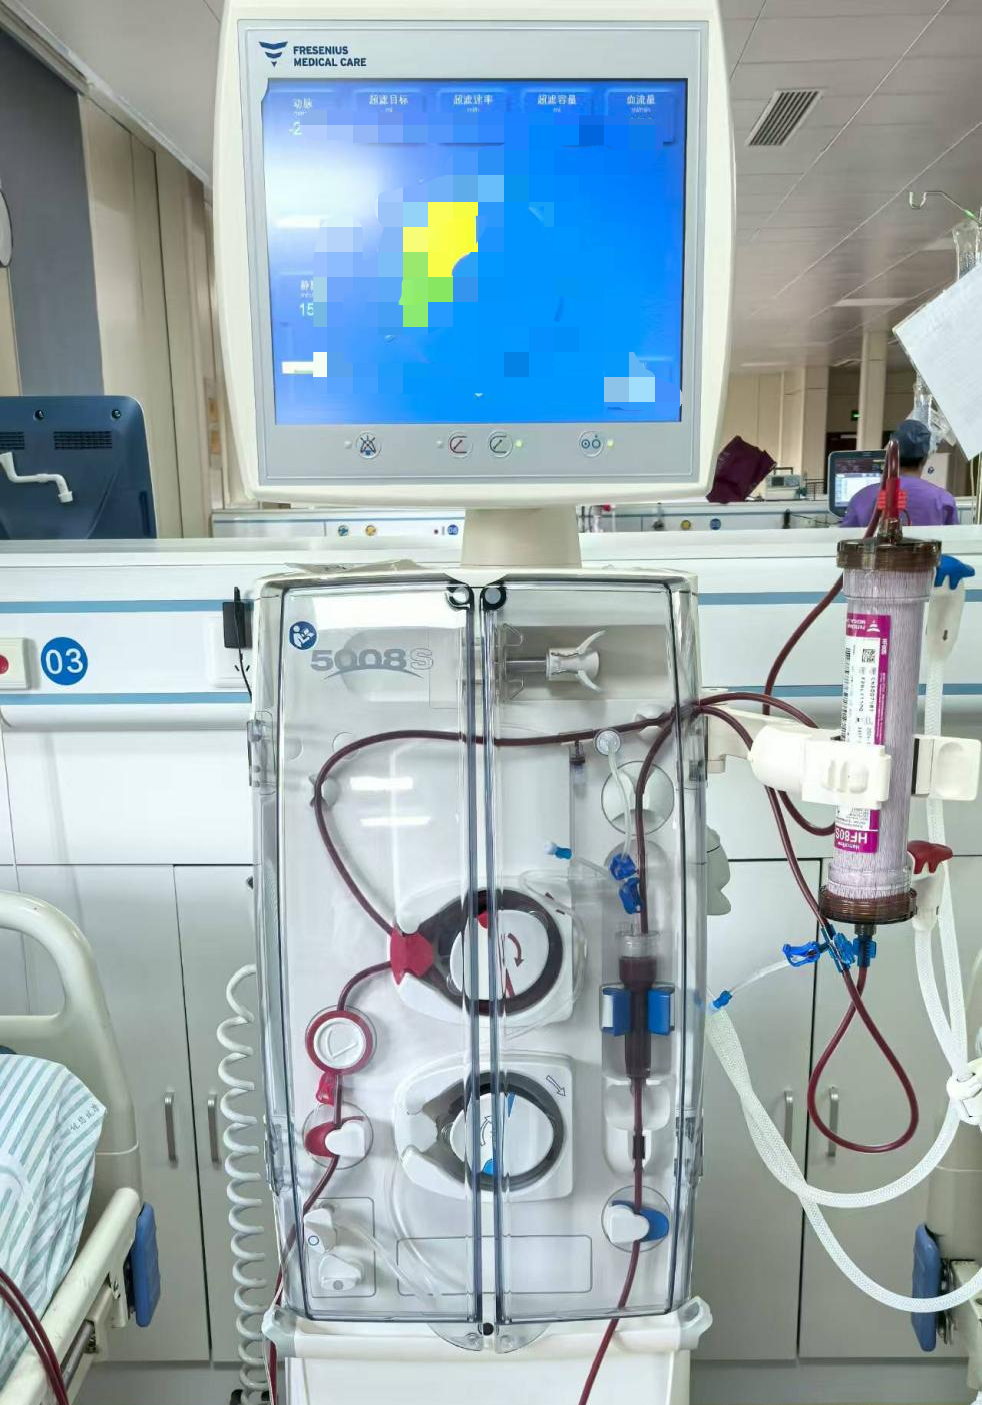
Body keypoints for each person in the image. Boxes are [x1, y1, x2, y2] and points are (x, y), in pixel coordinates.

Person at [840, 419, 959, 527]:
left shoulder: (861, 498)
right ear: (925, 458)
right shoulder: (944, 500)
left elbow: (843, 539)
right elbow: (953, 540)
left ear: (891, 456)